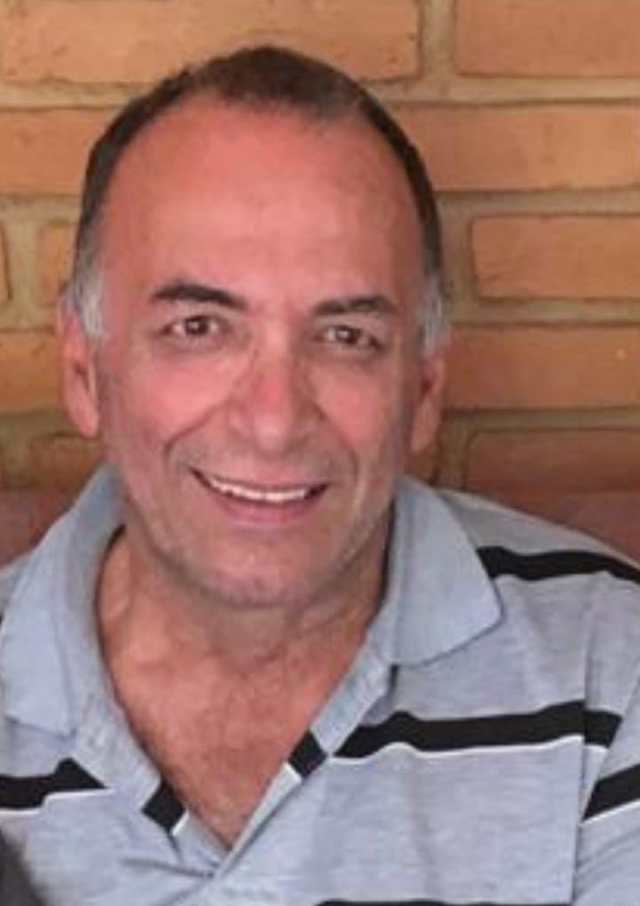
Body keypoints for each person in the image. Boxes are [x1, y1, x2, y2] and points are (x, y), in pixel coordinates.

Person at [1, 44, 640, 906]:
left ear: (423, 389)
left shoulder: (611, 670)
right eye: (199, 327)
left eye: (346, 337)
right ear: (84, 371)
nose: (273, 421)